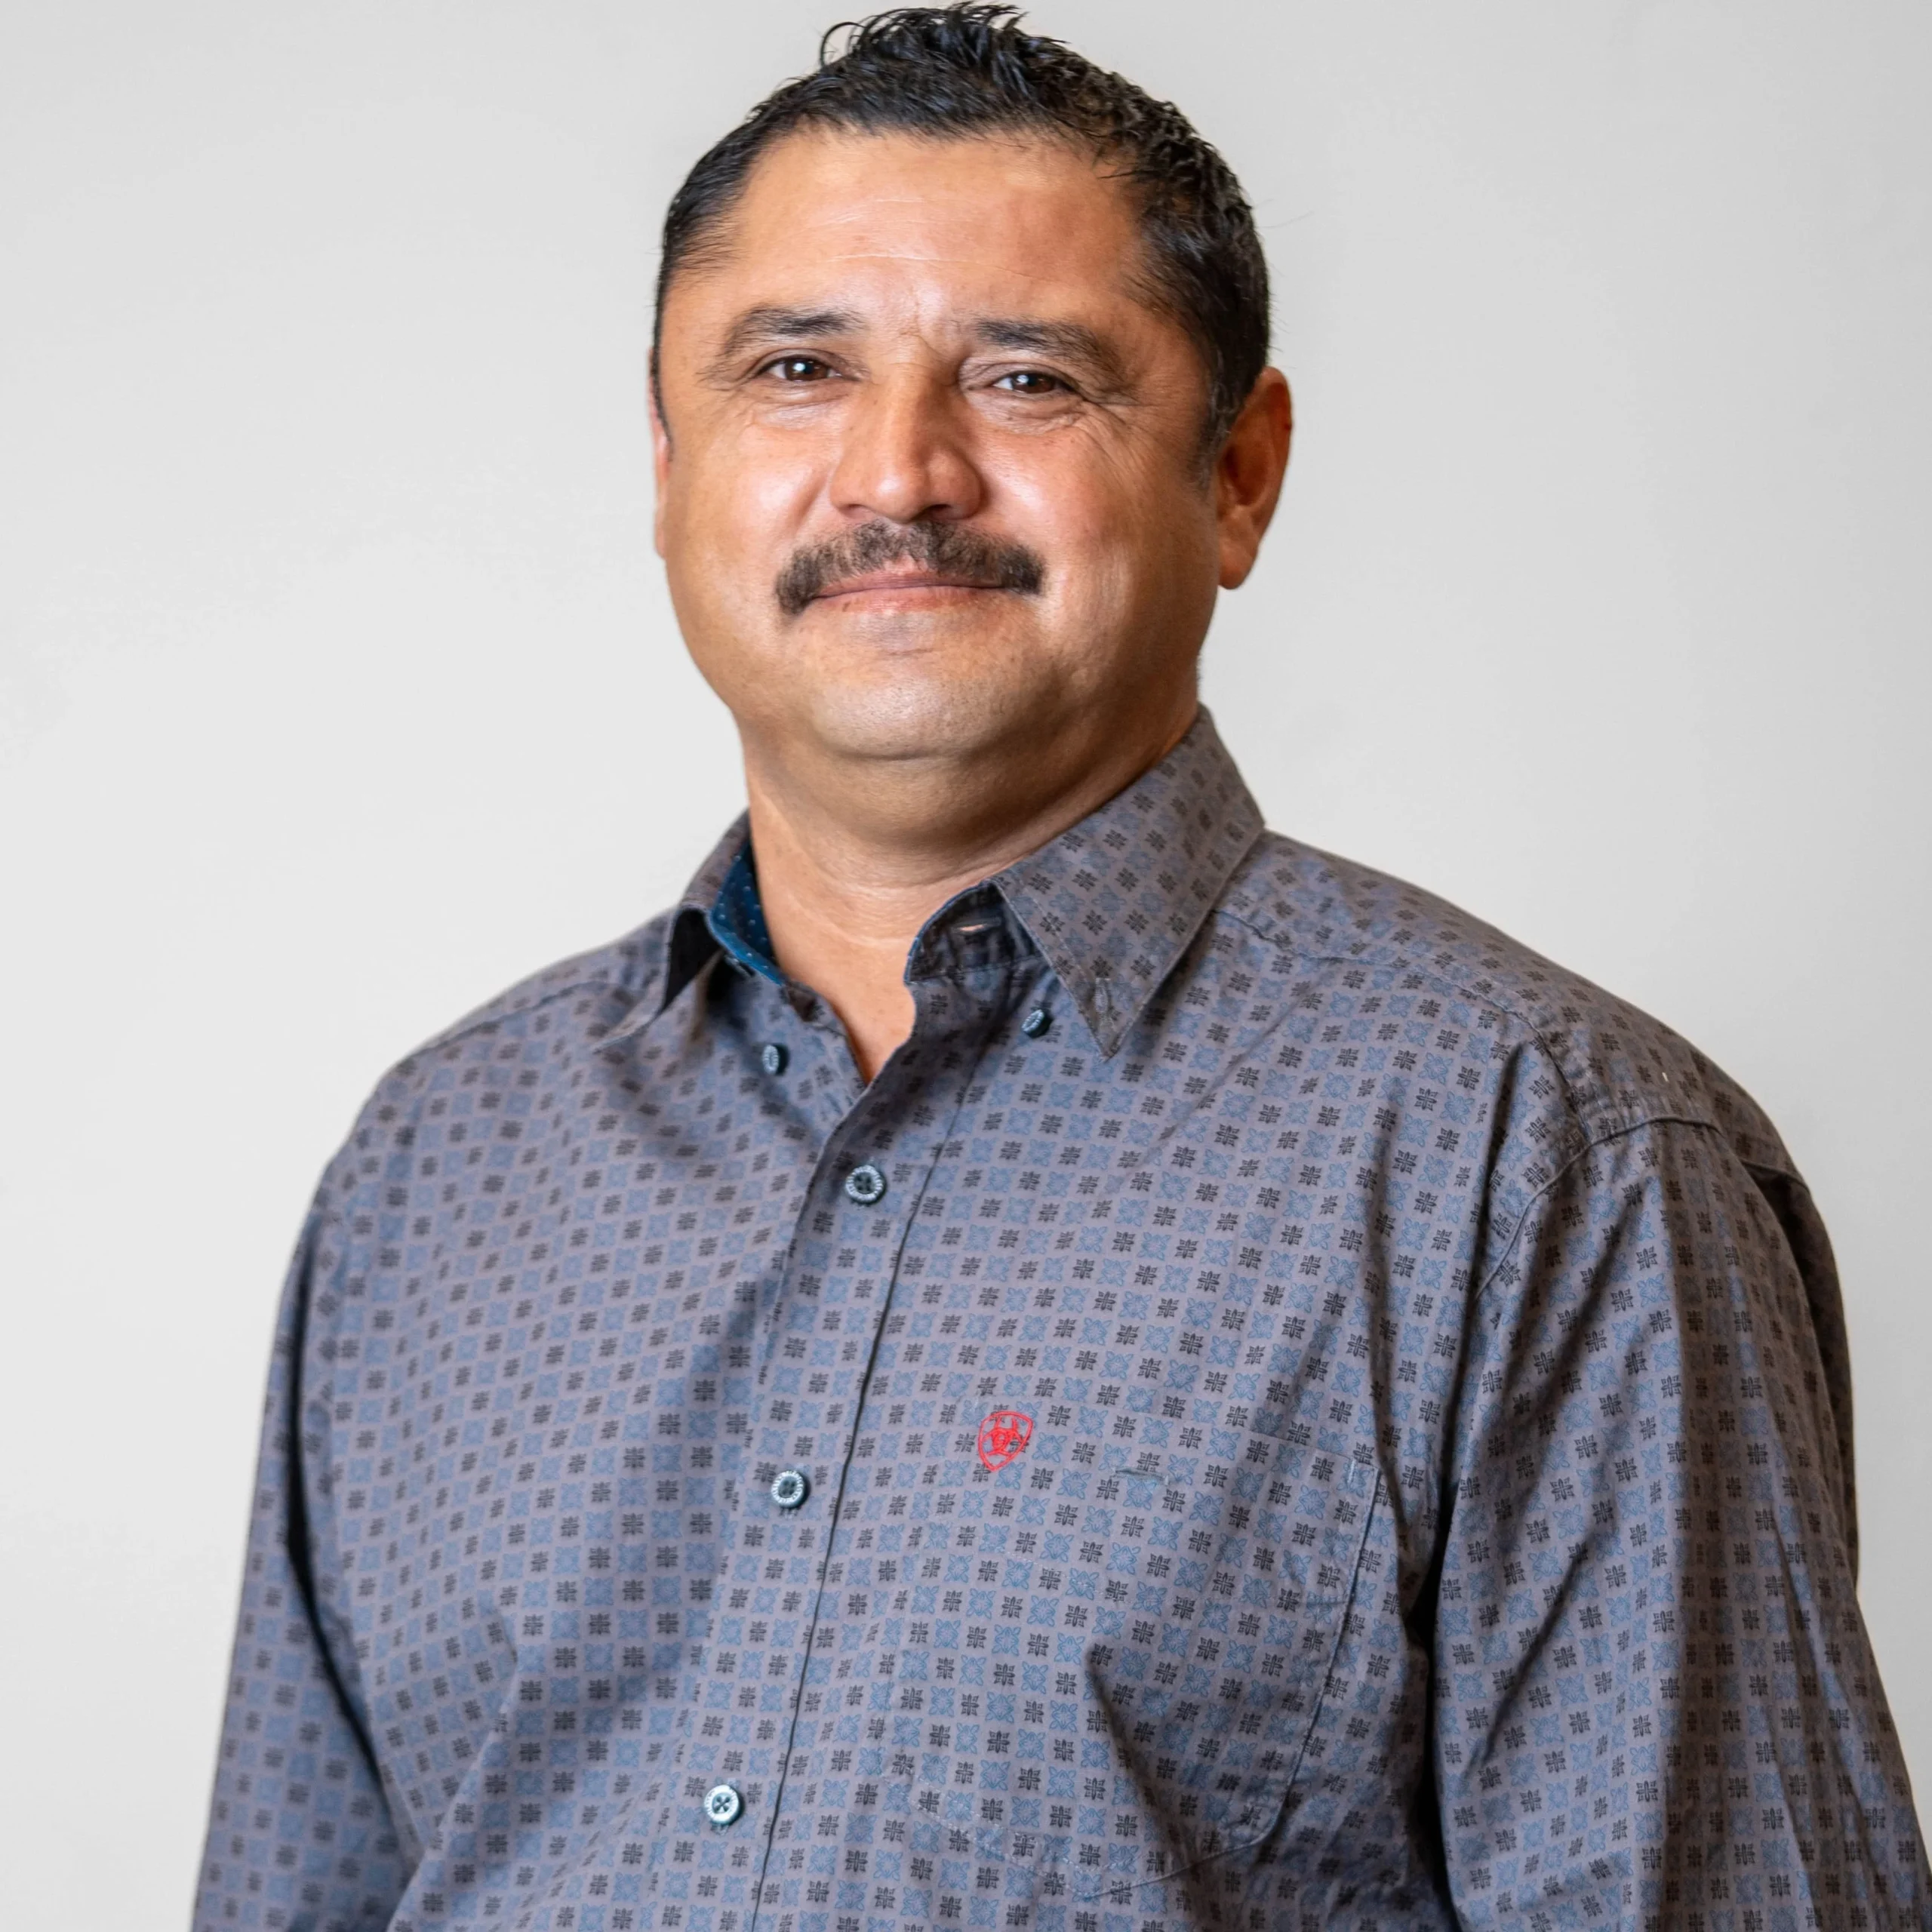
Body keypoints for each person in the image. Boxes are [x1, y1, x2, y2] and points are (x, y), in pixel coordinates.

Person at [192, 8, 1928, 1929]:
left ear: (1236, 473)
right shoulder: (437, 1165)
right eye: (794, 370)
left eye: (1025, 378)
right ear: (670, 464)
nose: (896, 474)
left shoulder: (1538, 1160)